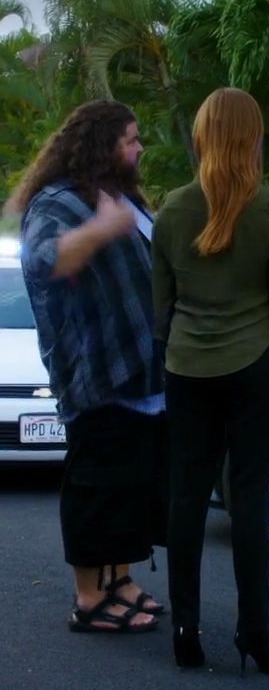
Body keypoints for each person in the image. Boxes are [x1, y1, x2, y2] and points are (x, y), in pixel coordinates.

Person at [152, 87, 269, 673]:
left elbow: (161, 306)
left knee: (187, 498)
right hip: (253, 364)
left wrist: (171, 353)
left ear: (202, 136)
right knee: (250, 500)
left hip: (186, 367)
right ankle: (255, 634)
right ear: (251, 137)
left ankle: (185, 631)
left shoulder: (173, 209)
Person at [11, 100, 168, 633]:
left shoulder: (121, 198)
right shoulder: (58, 201)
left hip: (142, 369)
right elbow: (43, 261)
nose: (139, 147)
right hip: (96, 371)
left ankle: (119, 581)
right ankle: (88, 598)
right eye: (130, 139)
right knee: (96, 488)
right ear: (103, 145)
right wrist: (101, 229)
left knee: (129, 488)